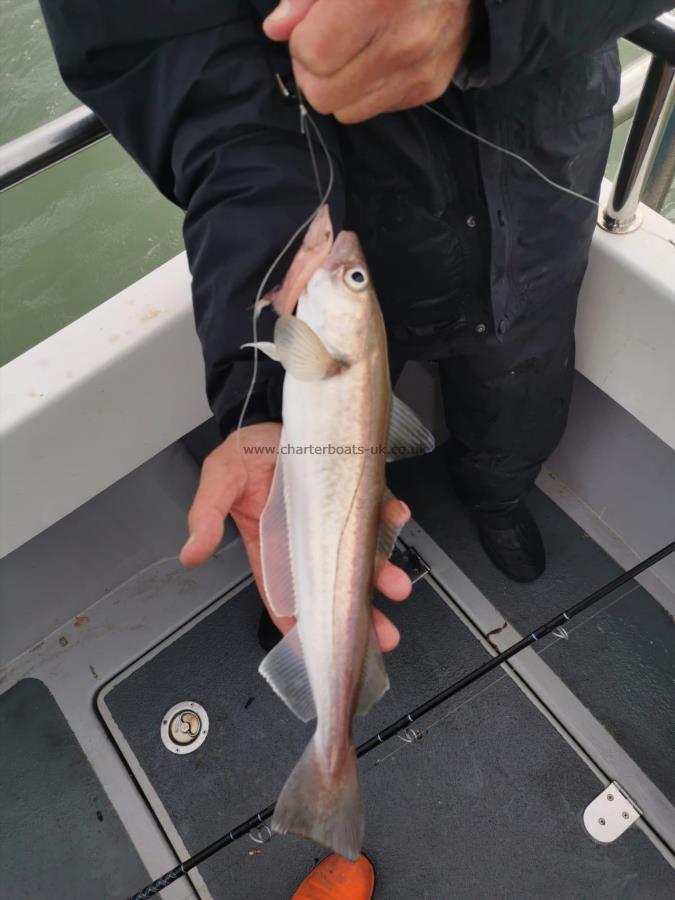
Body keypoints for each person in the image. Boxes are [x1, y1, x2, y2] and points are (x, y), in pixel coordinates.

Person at [38, 1, 671, 896]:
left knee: (522, 381)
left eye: (350, 273)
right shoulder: (333, 283)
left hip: (539, 173)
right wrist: (258, 403)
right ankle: (311, 627)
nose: (345, 267)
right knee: (358, 468)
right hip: (353, 185)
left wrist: (493, 12)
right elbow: (169, 57)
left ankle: (497, 493)